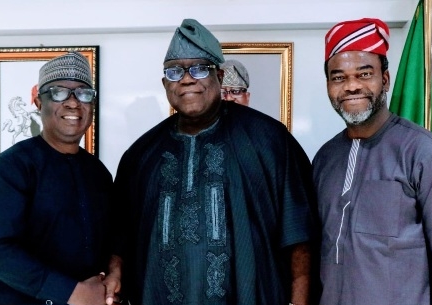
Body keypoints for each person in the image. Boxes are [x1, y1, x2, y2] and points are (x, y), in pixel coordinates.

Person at [113, 18, 314, 305]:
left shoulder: (268, 140)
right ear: (164, 84)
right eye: (174, 72)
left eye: (199, 68)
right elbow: (120, 241)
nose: (186, 79)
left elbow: (299, 234)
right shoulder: (141, 155)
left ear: (219, 76)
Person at [313, 18, 432, 304]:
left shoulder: (428, 154)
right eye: (339, 77)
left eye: (364, 74)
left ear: (385, 79)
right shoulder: (325, 158)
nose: (351, 86)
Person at [0, 52, 122, 305]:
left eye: (84, 94)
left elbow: (113, 235)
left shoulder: (97, 172)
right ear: (39, 102)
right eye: (59, 92)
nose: (73, 103)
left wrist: (115, 270)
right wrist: (70, 292)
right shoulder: (11, 167)